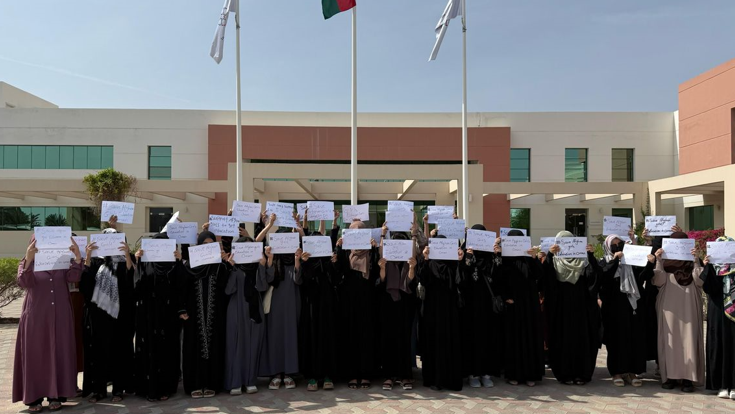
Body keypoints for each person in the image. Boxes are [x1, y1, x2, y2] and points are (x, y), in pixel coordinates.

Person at [13, 236, 83, 412]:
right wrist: (28, 259)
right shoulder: (27, 262)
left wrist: (77, 257)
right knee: (35, 354)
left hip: (60, 316)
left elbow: (74, 276)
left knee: (59, 352)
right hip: (36, 316)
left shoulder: (62, 261)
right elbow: (24, 282)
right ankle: (33, 398)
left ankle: (56, 395)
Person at [81, 229, 136, 403]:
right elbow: (85, 285)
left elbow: (132, 279)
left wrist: (127, 254)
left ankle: (118, 390)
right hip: (99, 315)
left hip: (121, 315)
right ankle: (99, 390)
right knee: (99, 352)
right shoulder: (97, 261)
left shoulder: (127, 260)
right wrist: (88, 257)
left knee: (119, 352)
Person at [543, 231, 602, 385]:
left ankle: (581, 374)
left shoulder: (583, 260)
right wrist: (549, 256)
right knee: (562, 339)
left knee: (581, 339)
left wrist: (590, 256)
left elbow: (594, 278)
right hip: (560, 308)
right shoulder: (554, 260)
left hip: (581, 308)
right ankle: (564, 374)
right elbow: (546, 280)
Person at [179, 231, 231, 398]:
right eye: (205, 244)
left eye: (211, 244)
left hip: (215, 314)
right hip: (193, 315)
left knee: (214, 347)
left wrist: (227, 263)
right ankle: (195, 384)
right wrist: (182, 309)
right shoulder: (190, 266)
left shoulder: (220, 266)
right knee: (193, 346)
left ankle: (212, 383)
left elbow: (227, 288)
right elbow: (182, 289)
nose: (208, 248)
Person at [133, 232, 183, 401]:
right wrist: (138, 260)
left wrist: (179, 261)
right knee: (148, 349)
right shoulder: (146, 263)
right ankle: (148, 387)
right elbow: (137, 286)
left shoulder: (174, 265)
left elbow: (180, 286)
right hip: (148, 314)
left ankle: (165, 387)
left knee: (167, 349)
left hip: (168, 315)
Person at [598, 233, 653, 387]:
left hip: (633, 306)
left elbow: (643, 276)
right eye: (614, 245)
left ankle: (632, 371)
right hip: (613, 308)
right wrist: (615, 260)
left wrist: (649, 263)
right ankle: (616, 372)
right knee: (616, 340)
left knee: (633, 338)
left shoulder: (632, 261)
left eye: (620, 244)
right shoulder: (604, 262)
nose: (618, 247)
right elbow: (604, 278)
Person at [653, 231, 705, 393]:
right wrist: (659, 261)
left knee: (688, 337)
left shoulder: (693, 260)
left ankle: (688, 378)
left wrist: (696, 261)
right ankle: (670, 376)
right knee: (670, 337)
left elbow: (699, 281)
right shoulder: (665, 261)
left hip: (689, 303)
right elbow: (658, 281)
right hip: (669, 302)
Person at [260, 213, 304, 391]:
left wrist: (296, 261)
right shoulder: (274, 258)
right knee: (275, 336)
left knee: (291, 335)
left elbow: (298, 279)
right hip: (276, 303)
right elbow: (269, 278)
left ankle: (289, 372)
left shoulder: (295, 258)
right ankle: (275, 373)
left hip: (292, 301)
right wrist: (269, 225)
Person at [224, 237, 274, 395]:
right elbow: (228, 290)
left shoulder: (257, 266)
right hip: (236, 308)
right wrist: (230, 267)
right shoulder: (234, 266)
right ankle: (236, 381)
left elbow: (262, 286)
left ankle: (251, 380)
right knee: (236, 344)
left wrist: (262, 265)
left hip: (254, 309)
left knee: (253, 343)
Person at [334, 219, 380, 389]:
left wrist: (374, 249)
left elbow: (376, 271)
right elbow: (339, 271)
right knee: (351, 334)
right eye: (354, 231)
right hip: (349, 299)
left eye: (360, 231)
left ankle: (366, 373)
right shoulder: (346, 251)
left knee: (366, 335)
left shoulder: (370, 250)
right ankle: (352, 374)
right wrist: (339, 248)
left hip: (368, 299)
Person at [496, 230, 545, 386]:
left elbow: (539, 275)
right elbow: (498, 279)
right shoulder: (504, 260)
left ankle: (531, 374)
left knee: (530, 337)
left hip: (529, 304)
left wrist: (532, 258)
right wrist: (505, 297)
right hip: (513, 305)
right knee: (514, 339)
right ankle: (514, 374)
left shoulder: (528, 258)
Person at [298, 213, 340, 392]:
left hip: (328, 304)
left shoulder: (329, 260)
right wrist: (304, 263)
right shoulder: (307, 261)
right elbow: (304, 282)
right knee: (312, 338)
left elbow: (336, 280)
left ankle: (328, 374)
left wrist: (334, 263)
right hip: (311, 305)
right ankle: (313, 376)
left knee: (328, 337)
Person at [459, 224, 503, 388]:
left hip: (488, 307)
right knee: (471, 337)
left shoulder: (492, 257)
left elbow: (498, 278)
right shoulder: (466, 255)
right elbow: (461, 280)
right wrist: (467, 260)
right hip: (470, 306)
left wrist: (497, 256)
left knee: (488, 338)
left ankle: (486, 372)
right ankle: (472, 373)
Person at [418, 236, 464, 391]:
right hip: (431, 309)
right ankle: (433, 379)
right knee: (432, 340)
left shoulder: (452, 263)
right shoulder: (429, 262)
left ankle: (448, 379)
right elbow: (423, 279)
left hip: (450, 309)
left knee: (449, 340)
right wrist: (425, 258)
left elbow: (459, 281)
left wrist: (459, 261)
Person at [376, 228, 418, 391]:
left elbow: (411, 282)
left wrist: (412, 267)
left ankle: (405, 375)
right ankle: (389, 375)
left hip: (405, 303)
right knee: (389, 339)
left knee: (405, 339)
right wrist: (382, 268)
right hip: (388, 304)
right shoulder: (385, 260)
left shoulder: (410, 260)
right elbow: (381, 283)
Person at [701, 236, 735, 399]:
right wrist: (707, 266)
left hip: (733, 312)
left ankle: (733, 385)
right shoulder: (714, 268)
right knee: (718, 344)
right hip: (717, 311)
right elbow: (708, 288)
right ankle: (721, 385)